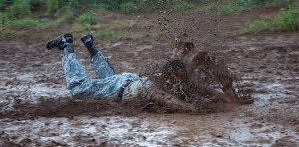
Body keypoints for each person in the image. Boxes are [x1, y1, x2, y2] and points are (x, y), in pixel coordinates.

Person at [46, 34, 197, 111]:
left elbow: (204, 89)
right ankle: (66, 44)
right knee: (78, 88)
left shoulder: (170, 79)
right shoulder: (157, 87)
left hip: (128, 82)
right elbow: (165, 98)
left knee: (110, 80)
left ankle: (90, 45)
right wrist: (190, 109)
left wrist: (221, 98)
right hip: (124, 87)